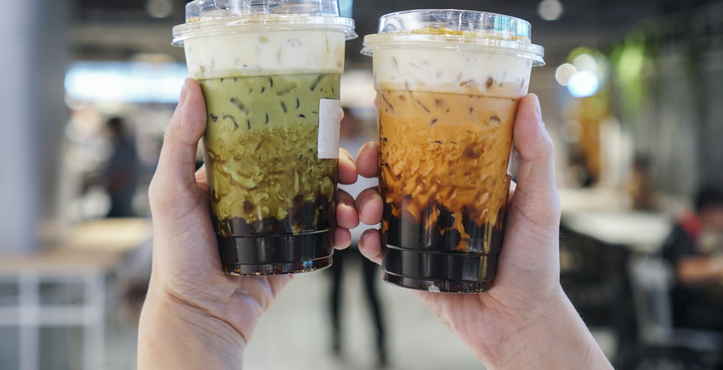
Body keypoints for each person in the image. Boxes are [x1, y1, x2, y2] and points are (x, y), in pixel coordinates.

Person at [138, 79, 612, 369]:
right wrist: (194, 317)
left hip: (361, 226)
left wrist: (191, 320)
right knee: (345, 289)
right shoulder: (346, 141)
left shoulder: (356, 139)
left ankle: (371, 345)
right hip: (356, 226)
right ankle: (348, 340)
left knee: (357, 288)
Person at [329, 109, 387, 365]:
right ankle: (336, 339)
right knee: (335, 291)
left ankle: (381, 344)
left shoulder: (366, 150)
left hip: (365, 236)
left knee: (370, 293)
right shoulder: (333, 151)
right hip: (340, 239)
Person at [662, 185, 723, 330]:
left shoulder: (690, 228)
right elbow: (685, 272)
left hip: (681, 308)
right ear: (710, 210)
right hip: (682, 314)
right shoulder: (686, 230)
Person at [101, 116, 140, 218]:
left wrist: (111, 185)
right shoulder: (116, 146)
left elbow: (126, 172)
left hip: (122, 197)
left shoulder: (126, 147)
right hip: (116, 196)